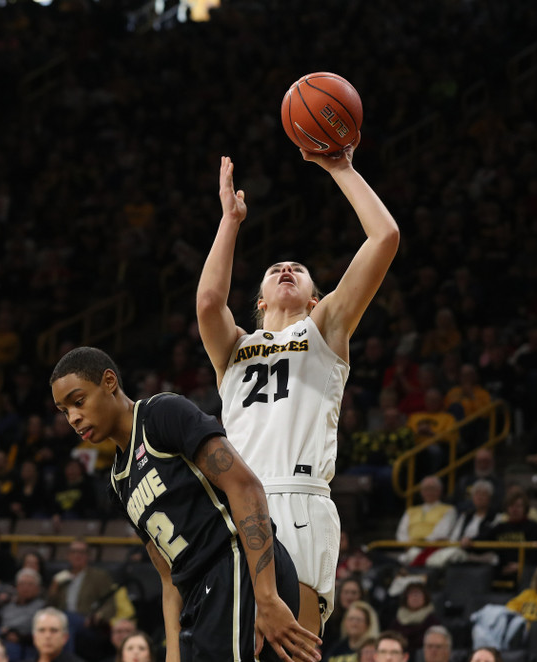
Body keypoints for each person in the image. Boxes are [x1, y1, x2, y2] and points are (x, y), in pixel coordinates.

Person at [196, 146, 400, 636]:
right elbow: (208, 300)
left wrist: (341, 168)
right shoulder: (232, 347)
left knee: (297, 645)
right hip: (237, 502)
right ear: (261, 300)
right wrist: (230, 221)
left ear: (314, 297)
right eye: (274, 270)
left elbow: (385, 236)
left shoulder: (325, 328)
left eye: (297, 269)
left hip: (300, 496)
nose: (285, 268)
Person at [49, 347, 320, 661]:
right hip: (197, 593)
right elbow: (168, 575)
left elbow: (245, 487)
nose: (73, 417)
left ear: (109, 381)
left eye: (78, 401)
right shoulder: (117, 482)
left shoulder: (161, 414)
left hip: (234, 565)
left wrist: (267, 597)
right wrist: (173, 653)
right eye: (64, 410)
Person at [387, 582, 441, 653]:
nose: (415, 597)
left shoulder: (432, 620)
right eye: (412, 594)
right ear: (406, 598)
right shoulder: (397, 620)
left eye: (418, 594)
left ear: (425, 598)